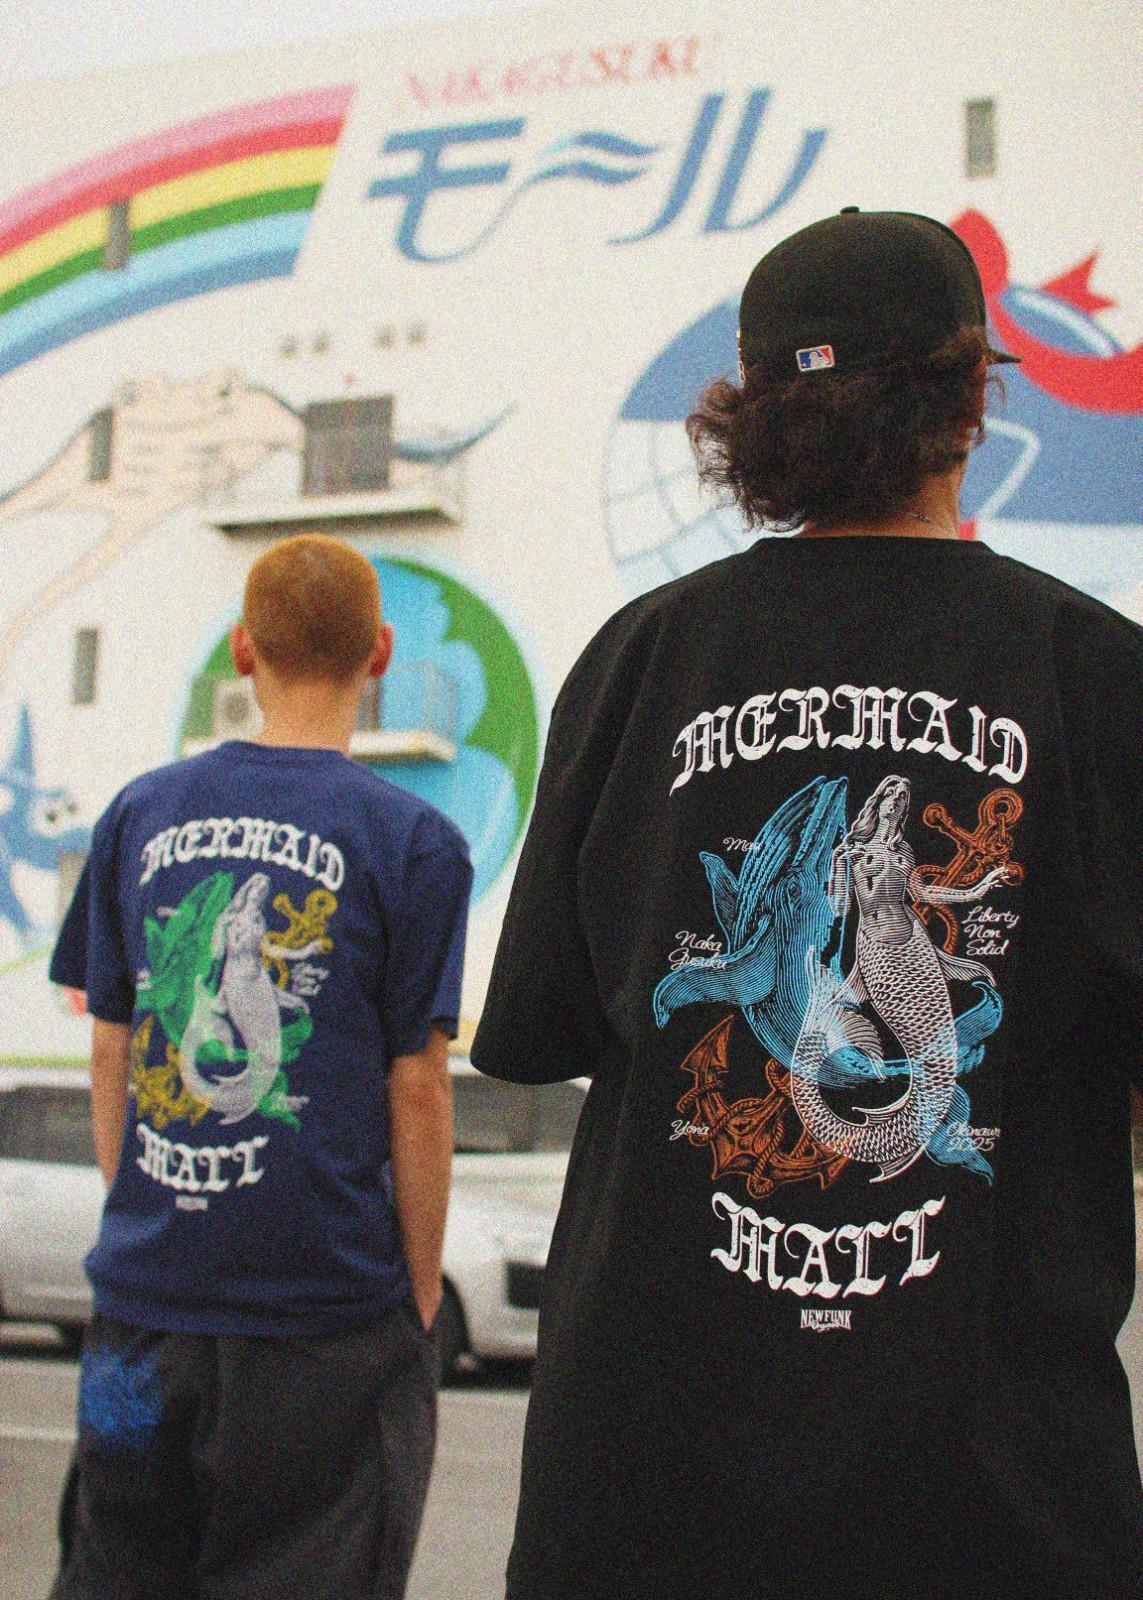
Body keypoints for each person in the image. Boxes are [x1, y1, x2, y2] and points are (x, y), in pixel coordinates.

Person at [472, 209, 1143, 1598]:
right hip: (987, 1502)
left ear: (755, 421)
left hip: (646, 1494)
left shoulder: (638, 660)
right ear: (970, 404)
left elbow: (541, 1025)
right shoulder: (1097, 675)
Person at [49, 533, 472, 1600]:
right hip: (322, 1322)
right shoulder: (414, 840)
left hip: (140, 1317)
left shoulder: (139, 813)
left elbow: (112, 1039)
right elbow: (417, 1082)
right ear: (380, 653)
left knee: (115, 1569)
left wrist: (142, 1210)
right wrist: (421, 1290)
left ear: (243, 649)